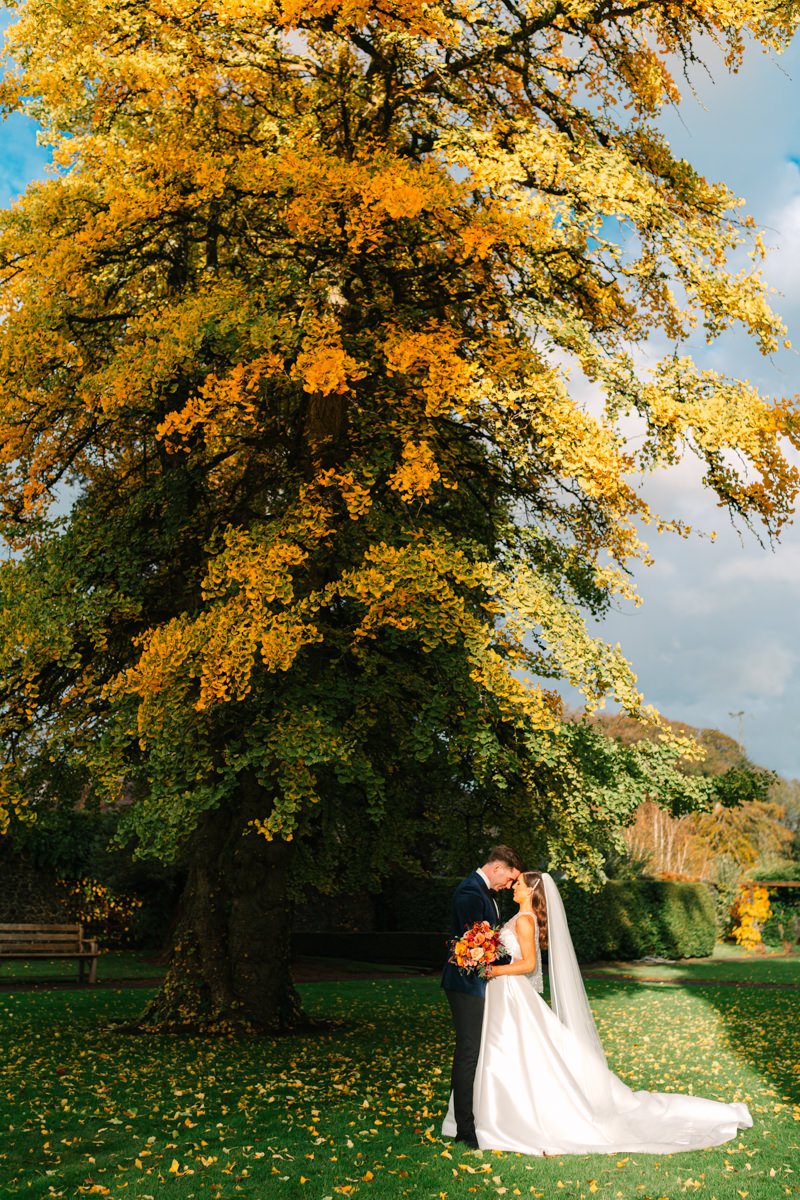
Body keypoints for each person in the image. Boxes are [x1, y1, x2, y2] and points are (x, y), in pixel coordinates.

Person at [443, 870, 752, 1155]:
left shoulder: (524, 920)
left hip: (509, 990)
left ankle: (510, 1117)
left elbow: (529, 966)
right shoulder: (521, 916)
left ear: (531, 890)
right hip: (505, 992)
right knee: (503, 1050)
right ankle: (492, 1114)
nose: (514, 886)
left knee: (511, 1050)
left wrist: (491, 968)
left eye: (520, 883)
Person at [440, 845, 523, 1149]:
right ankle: (464, 1128)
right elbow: (476, 945)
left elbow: (488, 939)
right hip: (465, 984)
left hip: (479, 983)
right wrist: (512, 965)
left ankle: (468, 1119)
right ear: (497, 867)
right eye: (509, 879)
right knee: (468, 1052)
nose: (508, 885)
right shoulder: (470, 893)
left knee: (475, 1051)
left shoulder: (484, 892)